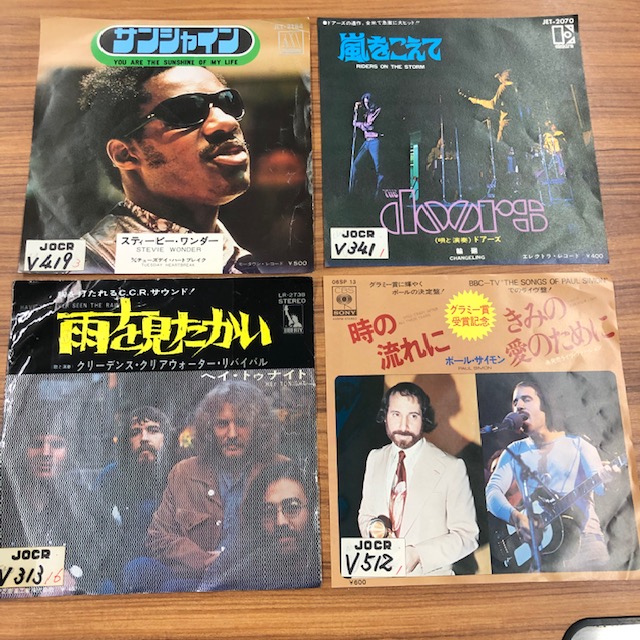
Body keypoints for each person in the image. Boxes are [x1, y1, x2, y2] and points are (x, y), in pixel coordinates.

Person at [78, 65, 258, 273]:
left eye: (228, 103)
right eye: (185, 111)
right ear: (125, 154)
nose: (226, 122)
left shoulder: (237, 260)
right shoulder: (89, 269)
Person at [145, 381, 287, 590]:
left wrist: (232, 561)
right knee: (144, 572)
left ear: (258, 427)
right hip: (195, 578)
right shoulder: (183, 473)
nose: (232, 434)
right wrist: (201, 559)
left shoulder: (281, 470)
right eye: (222, 424)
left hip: (256, 580)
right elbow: (157, 536)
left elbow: (294, 537)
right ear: (209, 428)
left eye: (242, 423)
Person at [485, 380, 619, 572]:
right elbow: (492, 492)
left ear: (545, 404)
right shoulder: (514, 451)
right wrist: (516, 518)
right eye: (515, 402)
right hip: (541, 552)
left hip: (585, 544)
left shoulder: (579, 444)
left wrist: (609, 476)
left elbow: (600, 487)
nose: (519, 406)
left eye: (526, 399)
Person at [358, 382, 479, 576]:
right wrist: (376, 533)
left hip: (429, 580)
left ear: (424, 419)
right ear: (385, 416)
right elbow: (365, 515)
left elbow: (467, 536)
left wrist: (418, 555)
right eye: (396, 414)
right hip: (379, 576)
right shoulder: (375, 458)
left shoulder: (452, 468)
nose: (403, 425)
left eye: (413, 416)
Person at [0, 409, 111, 596]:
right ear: (22, 449)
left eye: (57, 444)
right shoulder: (6, 498)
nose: (45, 452)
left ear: (69, 451)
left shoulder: (83, 501)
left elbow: (106, 552)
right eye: (36, 444)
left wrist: (76, 575)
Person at [199, 460, 321, 590]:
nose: (280, 522)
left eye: (292, 507)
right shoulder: (245, 568)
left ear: (313, 510)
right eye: (269, 511)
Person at [94, 406, 173, 592]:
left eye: (153, 430)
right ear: (127, 440)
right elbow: (99, 532)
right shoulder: (110, 477)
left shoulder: (179, 474)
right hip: (120, 567)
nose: (144, 438)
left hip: (169, 567)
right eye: (136, 432)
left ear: (165, 437)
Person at [349, 92, 384, 196]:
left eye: (368, 102)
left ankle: (378, 194)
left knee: (378, 168)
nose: (367, 105)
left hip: (375, 141)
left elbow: (370, 126)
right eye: (365, 103)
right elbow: (356, 122)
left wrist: (357, 124)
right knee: (355, 165)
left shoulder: (378, 110)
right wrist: (356, 110)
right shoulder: (366, 113)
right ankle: (352, 192)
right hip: (367, 141)